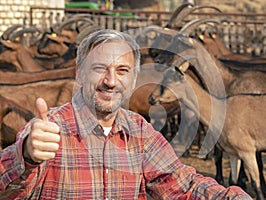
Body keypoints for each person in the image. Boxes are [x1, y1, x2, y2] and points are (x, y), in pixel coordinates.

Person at [0, 29, 252, 199]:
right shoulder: (49, 129)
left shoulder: (139, 132)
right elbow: (9, 189)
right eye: (100, 68)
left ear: (133, 80)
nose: (111, 81)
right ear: (79, 73)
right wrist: (25, 155)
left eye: (122, 70)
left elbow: (182, 185)